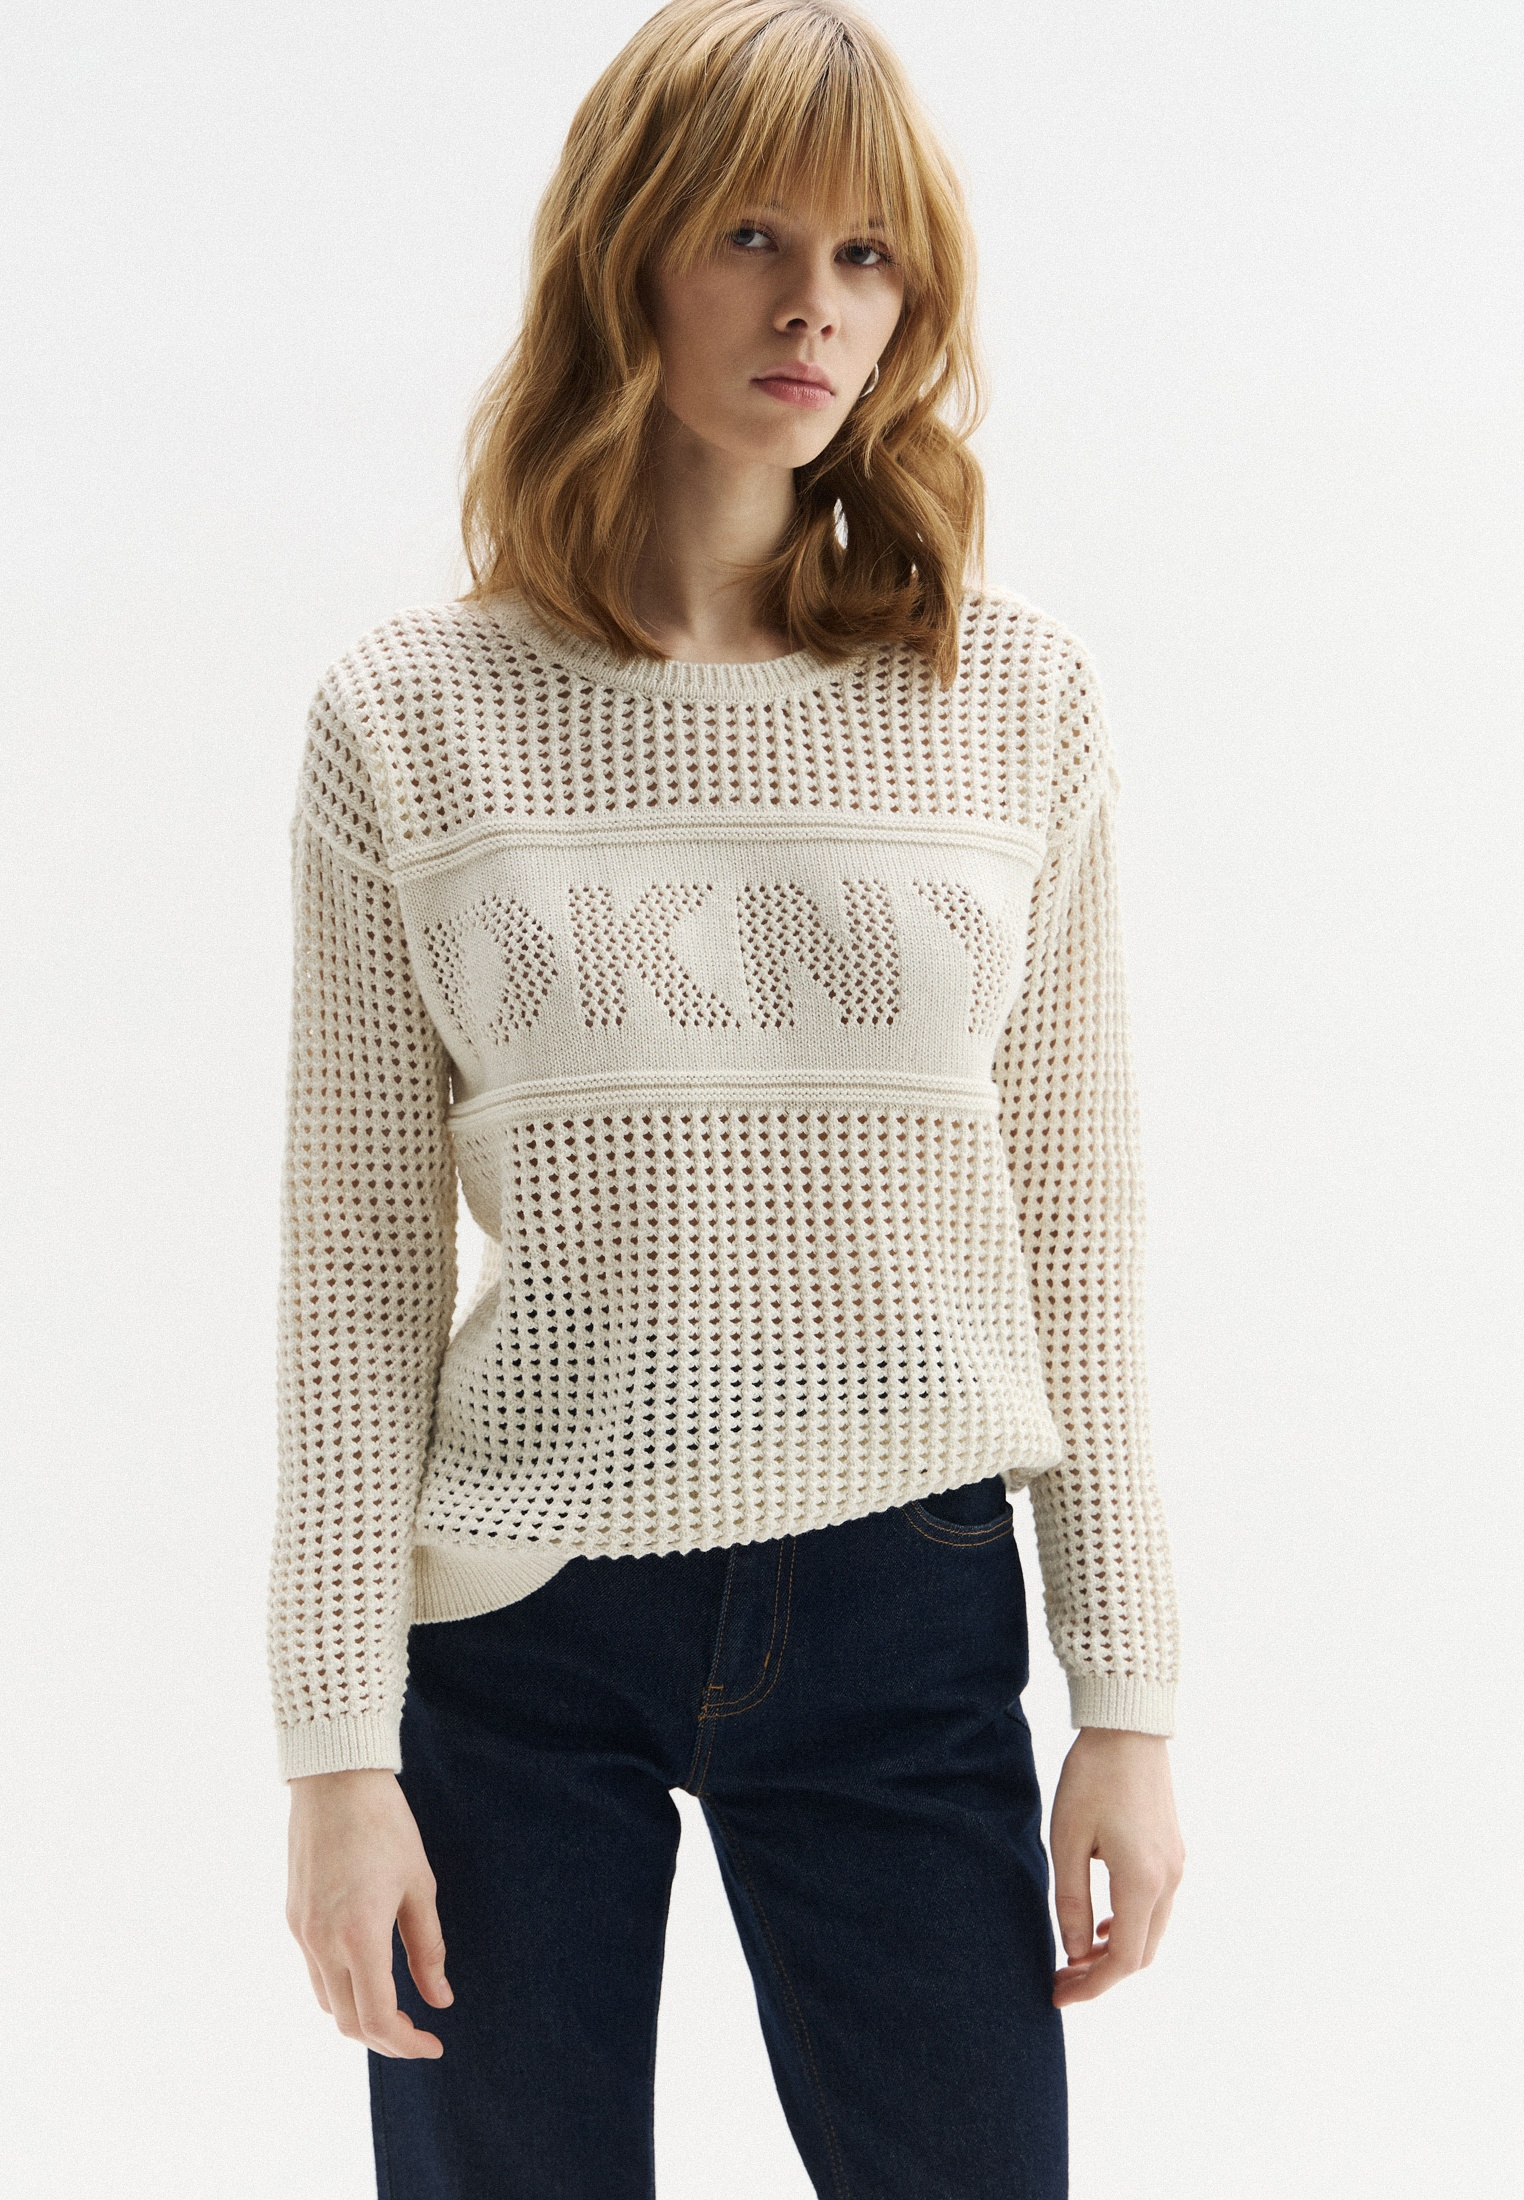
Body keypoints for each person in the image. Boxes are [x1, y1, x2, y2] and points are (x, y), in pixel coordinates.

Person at [269, 3, 1185, 2193]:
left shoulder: (1014, 697)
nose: (816, 309)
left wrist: (1127, 1700)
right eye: (754, 235)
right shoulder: (412, 716)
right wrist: (332, 1754)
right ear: (625, 257)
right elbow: (353, 1263)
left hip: (906, 1585)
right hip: (518, 1611)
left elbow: (1077, 1216)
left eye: (869, 257)